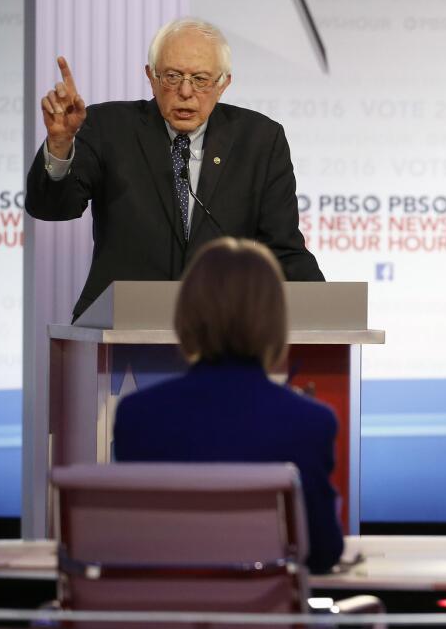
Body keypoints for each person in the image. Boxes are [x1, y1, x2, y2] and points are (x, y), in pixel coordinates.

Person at [25, 17, 323, 320]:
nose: (185, 91)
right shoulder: (107, 127)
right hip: (118, 327)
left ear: (224, 84)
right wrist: (60, 145)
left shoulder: (260, 140)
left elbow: (283, 249)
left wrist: (326, 315)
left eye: (201, 79)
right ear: (151, 77)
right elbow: (51, 207)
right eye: (172, 76)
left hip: (223, 331)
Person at [112, 237, 343, 574]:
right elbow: (322, 554)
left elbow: (133, 546)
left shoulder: (137, 416)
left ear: (186, 314)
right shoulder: (311, 422)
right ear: (275, 320)